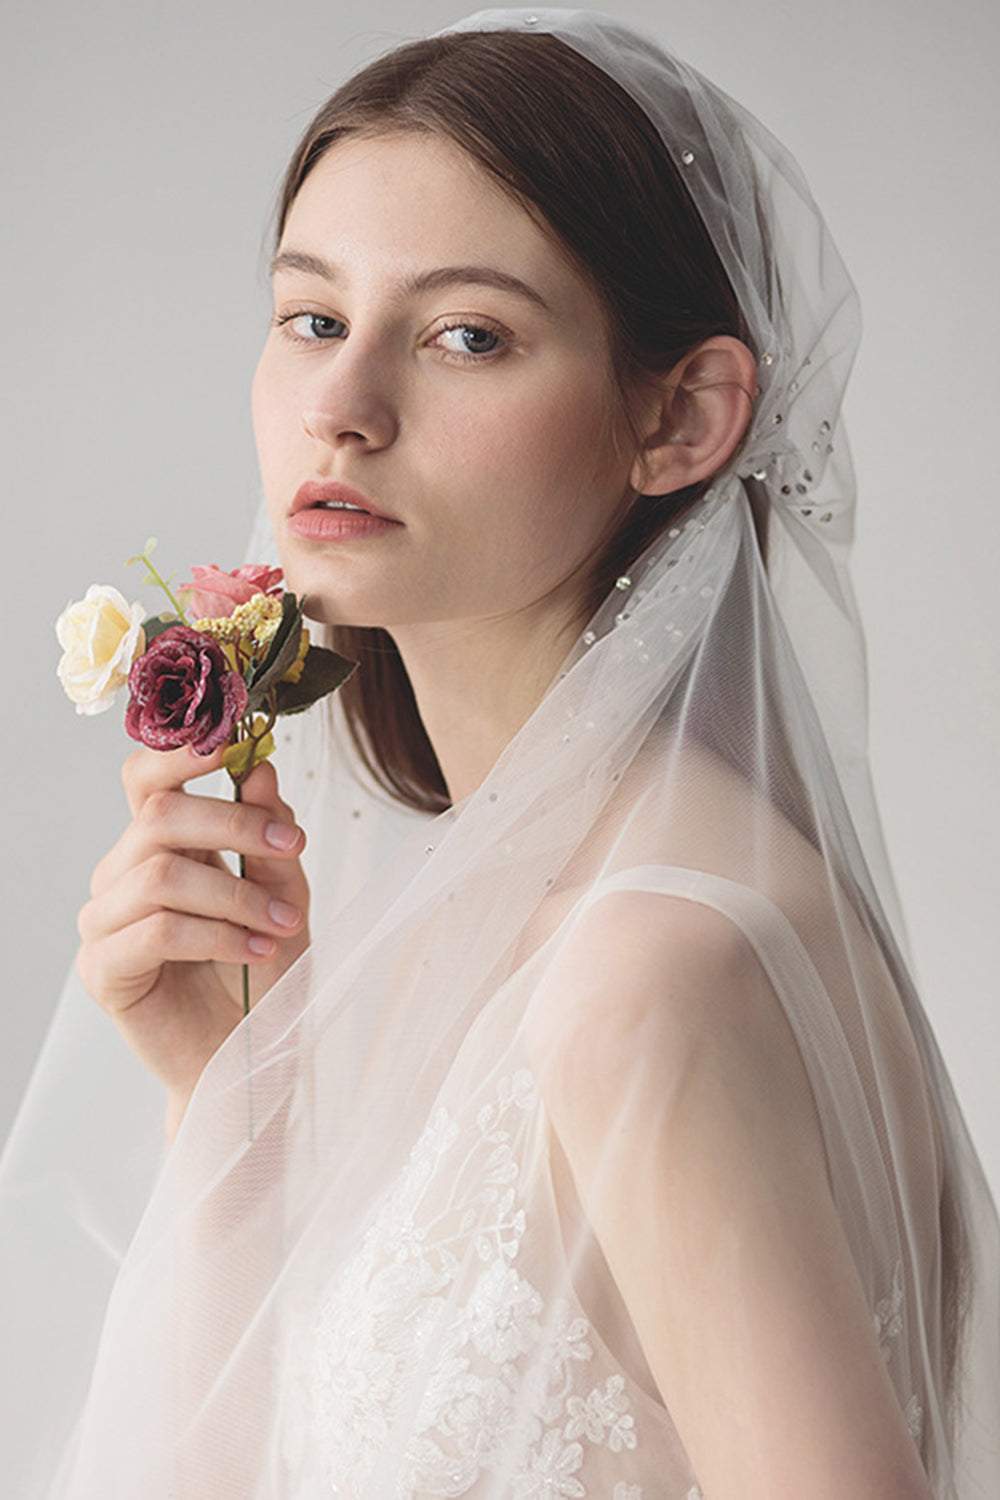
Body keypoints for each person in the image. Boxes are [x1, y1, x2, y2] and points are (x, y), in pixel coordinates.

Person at [1, 9, 997, 1498]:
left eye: (467, 334)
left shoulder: (649, 970)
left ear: (684, 416)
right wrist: (236, 1109)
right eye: (313, 318)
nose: (342, 409)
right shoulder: (511, 912)